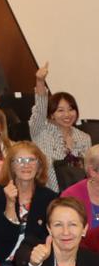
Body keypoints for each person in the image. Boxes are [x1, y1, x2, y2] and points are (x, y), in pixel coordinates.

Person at [0, 141, 56, 266]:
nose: (26, 165)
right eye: (19, 160)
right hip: (1, 261)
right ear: (11, 166)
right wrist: (10, 204)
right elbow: (0, 236)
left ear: (39, 165)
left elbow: (44, 238)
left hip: (33, 263)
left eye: (31, 160)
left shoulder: (49, 198)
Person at [31, 63, 90, 192]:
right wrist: (40, 82)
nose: (67, 115)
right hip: (48, 193)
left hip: (77, 195)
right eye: (60, 110)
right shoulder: (41, 131)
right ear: (51, 114)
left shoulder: (84, 138)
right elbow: (40, 111)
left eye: (71, 109)